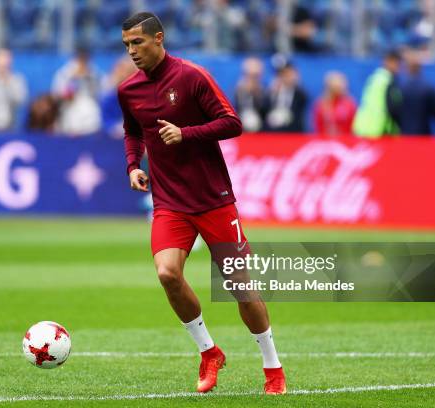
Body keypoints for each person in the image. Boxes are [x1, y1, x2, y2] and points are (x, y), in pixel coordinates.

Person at [118, 12, 286, 395]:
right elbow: (132, 131)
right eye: (127, 45)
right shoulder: (129, 91)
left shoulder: (192, 76)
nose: (132, 51)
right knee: (167, 274)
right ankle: (209, 352)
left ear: (158, 38)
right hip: (169, 202)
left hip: (214, 200)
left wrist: (187, 133)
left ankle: (272, 367)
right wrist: (132, 165)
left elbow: (232, 122)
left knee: (240, 286)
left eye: (137, 43)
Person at [51, 46, 102, 136]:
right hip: (68, 111)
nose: (82, 61)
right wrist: (72, 77)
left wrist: (88, 77)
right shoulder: (64, 73)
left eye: (85, 58)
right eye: (80, 57)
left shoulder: (94, 73)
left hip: (89, 112)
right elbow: (57, 95)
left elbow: (99, 93)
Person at [352, 50, 403, 138]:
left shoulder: (374, 78)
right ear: (388, 61)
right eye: (397, 63)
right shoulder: (389, 81)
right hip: (380, 131)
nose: (399, 67)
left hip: (363, 129)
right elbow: (393, 108)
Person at [397, 51, 435, 136]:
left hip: (404, 133)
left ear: (407, 68)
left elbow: (395, 110)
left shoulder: (400, 87)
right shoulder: (428, 87)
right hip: (423, 133)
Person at [262, 55, 308, 133]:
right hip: (272, 134)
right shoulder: (271, 92)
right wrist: (270, 93)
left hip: (292, 134)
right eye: (280, 74)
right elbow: (263, 111)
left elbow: (302, 102)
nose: (283, 77)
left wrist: (294, 84)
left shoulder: (298, 92)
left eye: (286, 73)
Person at [313, 71, 356, 136]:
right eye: (337, 85)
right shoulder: (321, 103)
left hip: (346, 140)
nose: (341, 86)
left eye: (341, 84)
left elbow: (353, 125)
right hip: (325, 141)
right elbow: (318, 125)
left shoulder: (349, 103)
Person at [234, 57, 265, 132]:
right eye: (250, 75)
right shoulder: (239, 88)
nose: (252, 79)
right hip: (242, 123)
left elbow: (263, 109)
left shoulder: (263, 90)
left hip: (260, 125)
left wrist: (256, 94)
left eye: (255, 76)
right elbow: (238, 107)